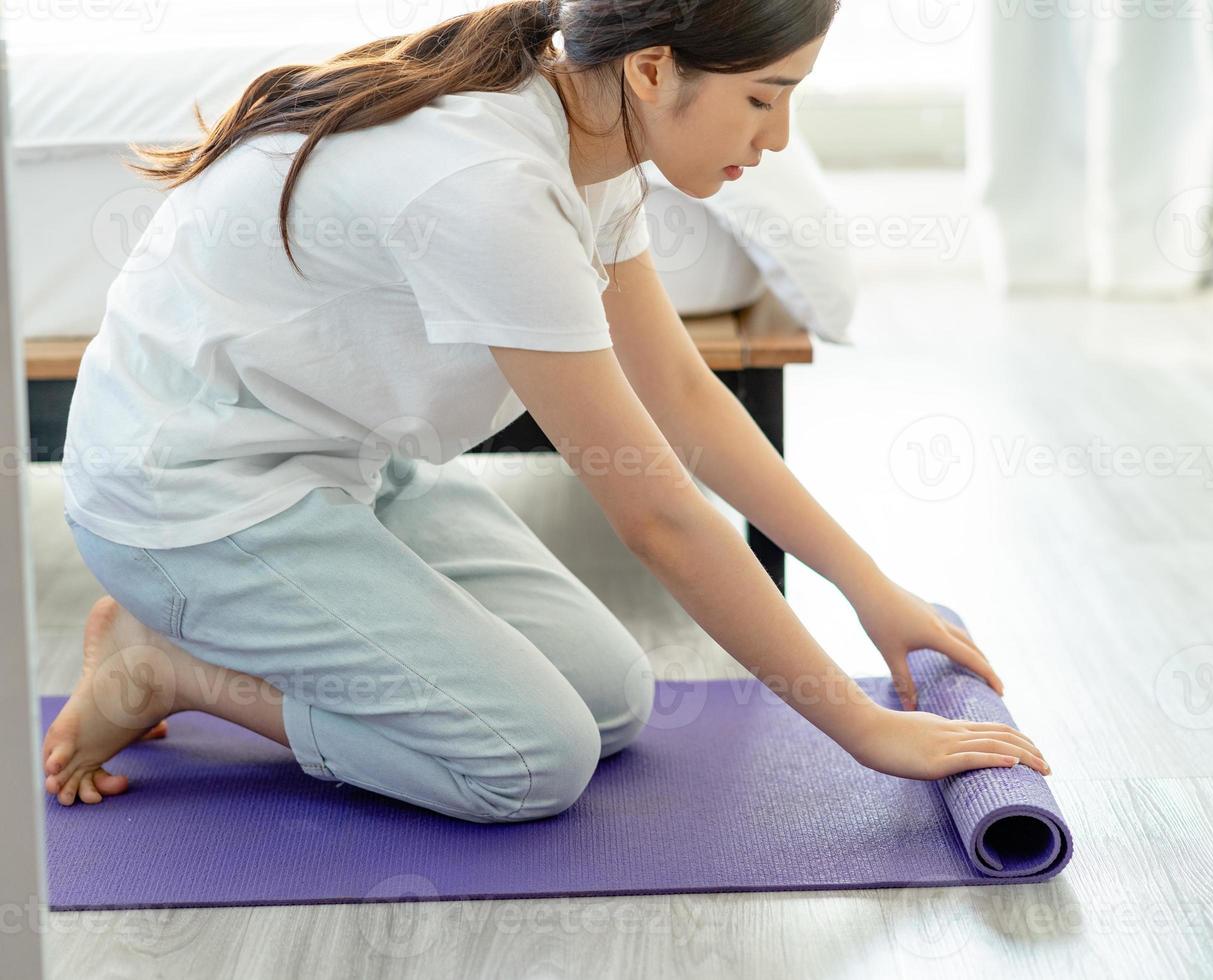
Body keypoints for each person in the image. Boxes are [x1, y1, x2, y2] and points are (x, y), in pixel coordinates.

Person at [43, 0, 1050, 819]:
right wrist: (861, 728)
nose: (777, 139)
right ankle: (167, 665)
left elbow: (684, 392)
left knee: (612, 698)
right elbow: (656, 519)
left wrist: (869, 588)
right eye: (763, 98)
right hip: (192, 499)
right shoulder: (494, 187)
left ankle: (213, 640)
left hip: (339, 463)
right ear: (654, 68)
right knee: (530, 761)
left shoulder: (591, 128)